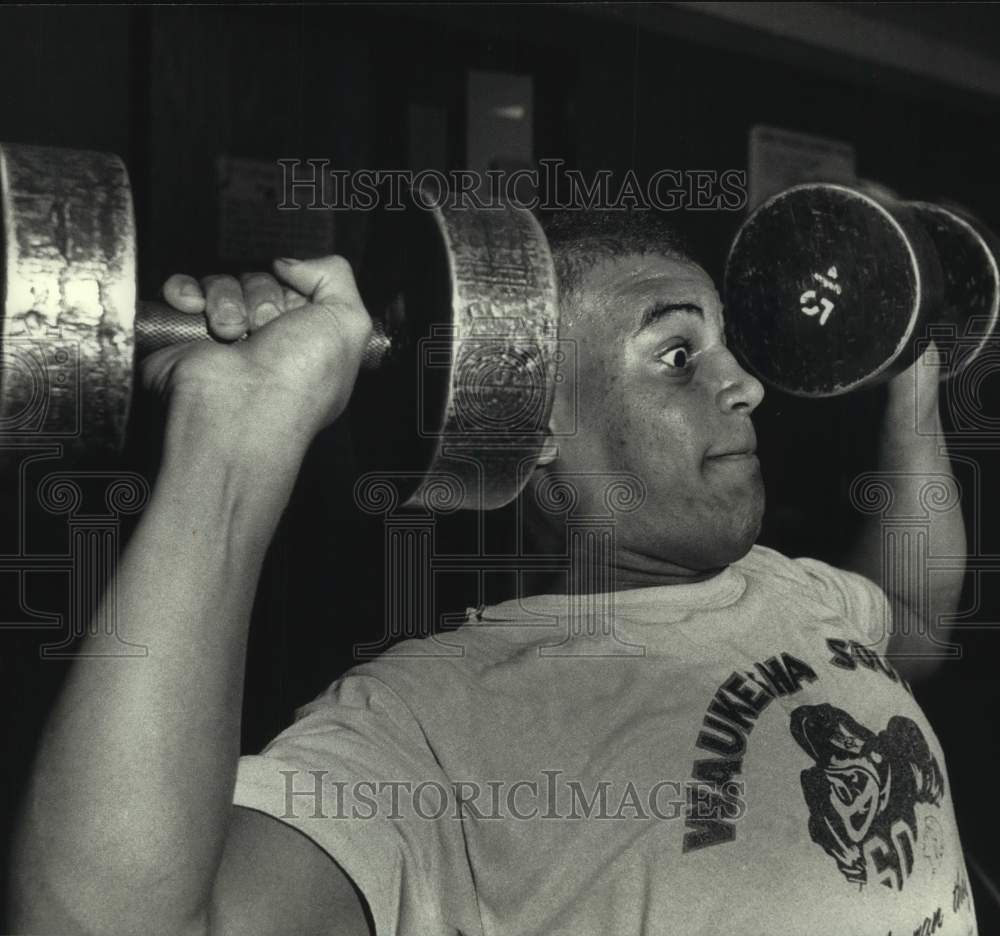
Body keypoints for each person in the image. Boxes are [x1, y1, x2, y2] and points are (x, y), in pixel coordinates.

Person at [8, 211, 977, 935]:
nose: (746, 385)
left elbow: (915, 620)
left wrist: (909, 377)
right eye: (678, 353)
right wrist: (236, 438)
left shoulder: (789, 589)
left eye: (725, 347)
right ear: (533, 424)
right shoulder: (435, 724)